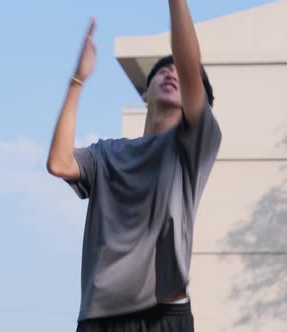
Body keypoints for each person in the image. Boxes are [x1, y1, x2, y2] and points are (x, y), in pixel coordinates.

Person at [46, 1, 221, 331]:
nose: (171, 72)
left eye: (181, 74)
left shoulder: (193, 145)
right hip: (99, 317)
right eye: (161, 70)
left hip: (164, 315)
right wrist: (78, 80)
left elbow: (187, 61)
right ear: (145, 92)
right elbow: (58, 162)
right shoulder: (107, 154)